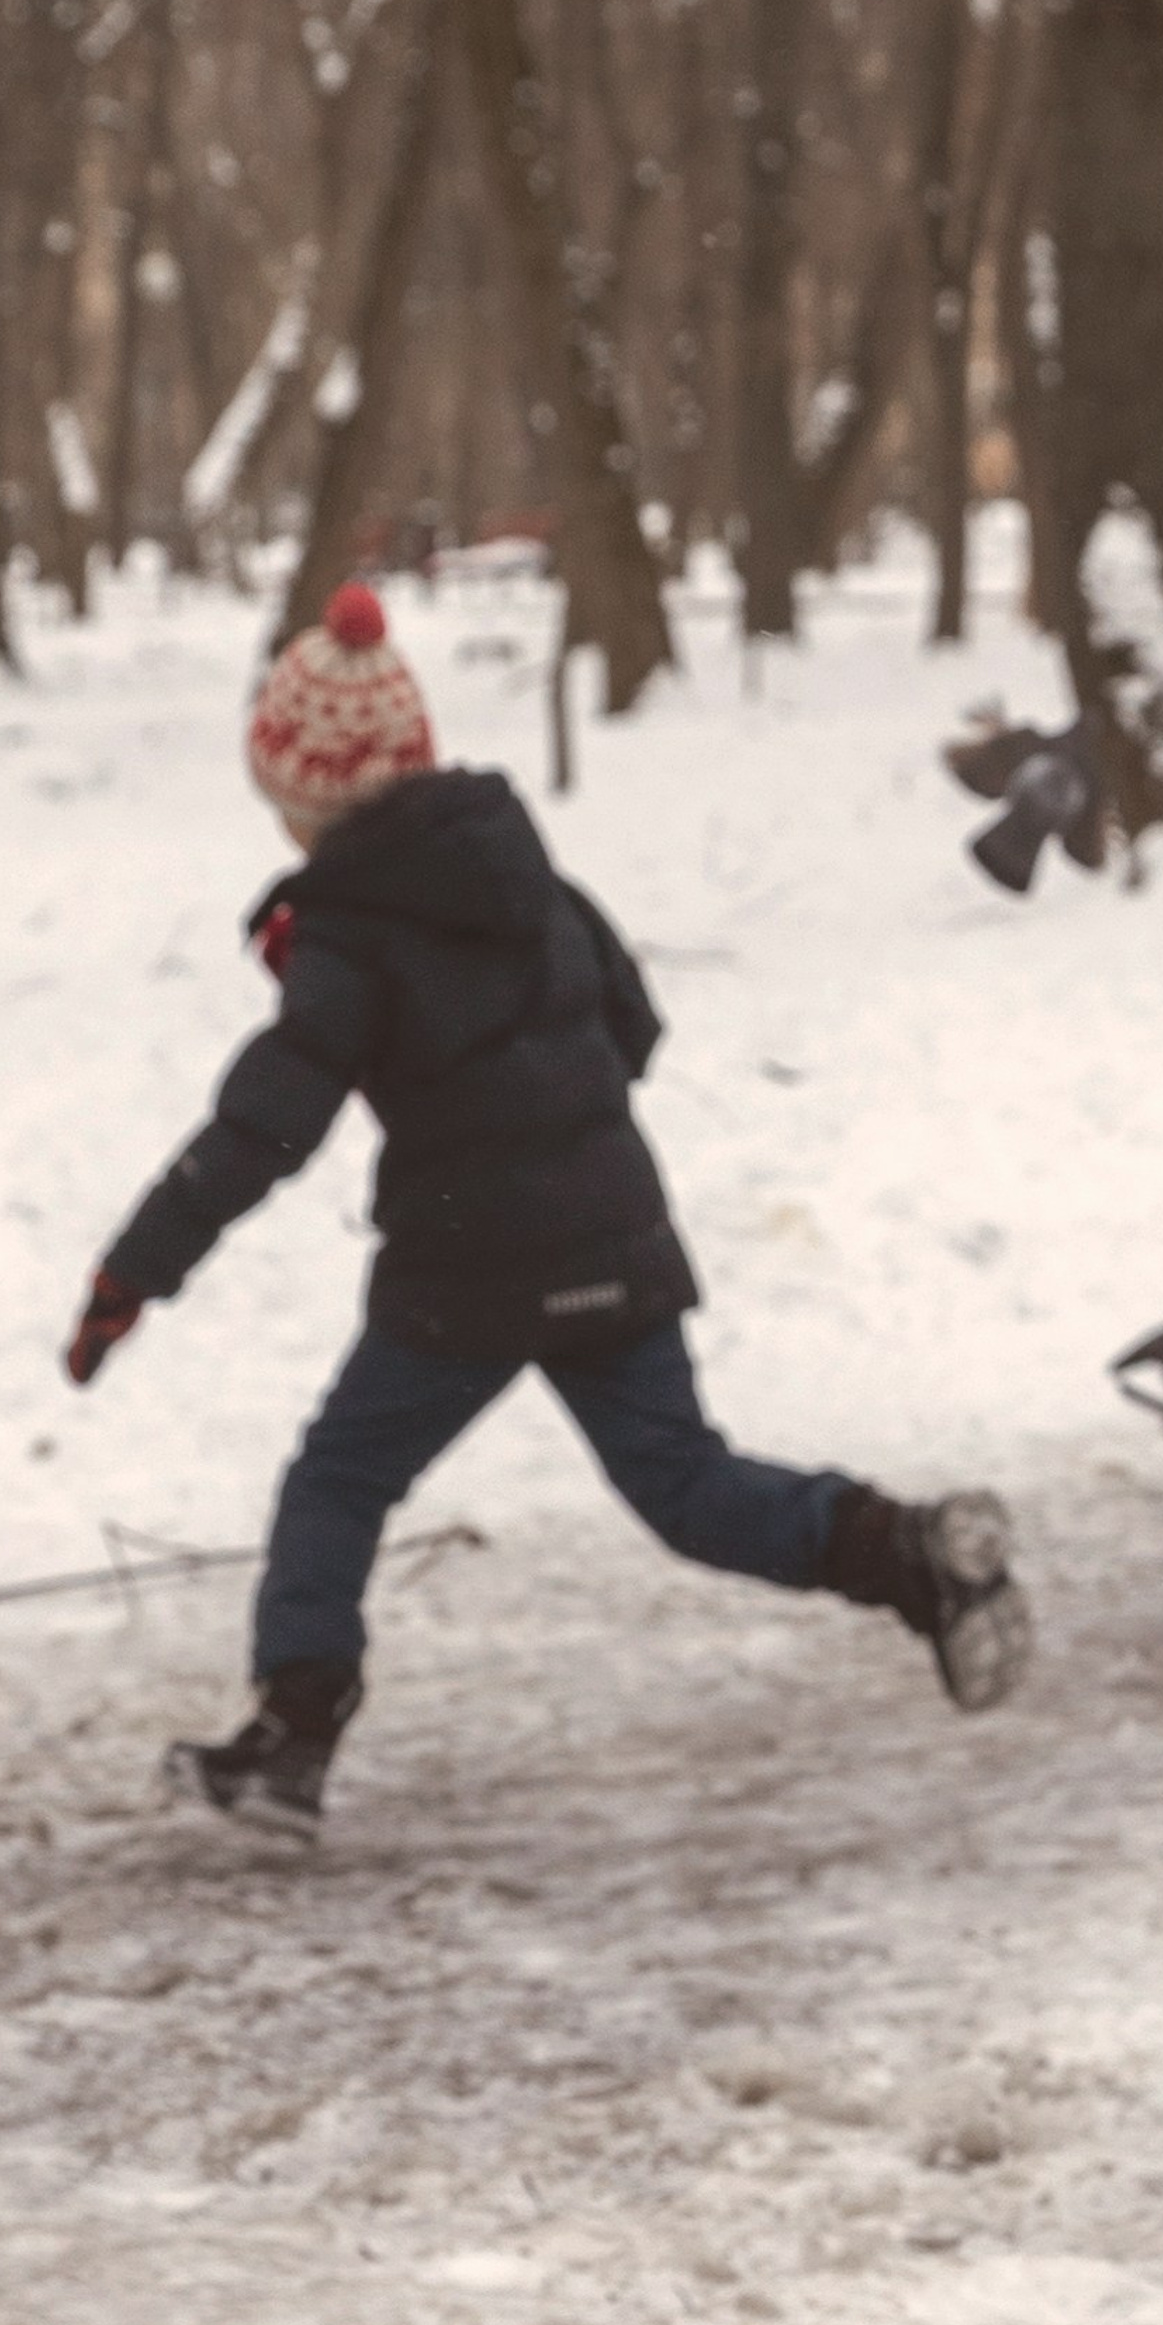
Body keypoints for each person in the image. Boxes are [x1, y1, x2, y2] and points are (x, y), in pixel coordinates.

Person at [64, 581, 1032, 1831]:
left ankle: (290, 1740)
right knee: (684, 1484)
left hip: (465, 1268)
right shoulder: (525, 874)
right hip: (611, 1231)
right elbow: (633, 1023)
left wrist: (133, 1273)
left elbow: (263, 1129)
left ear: (310, 802)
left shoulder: (349, 934)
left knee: (339, 1480)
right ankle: (907, 1554)